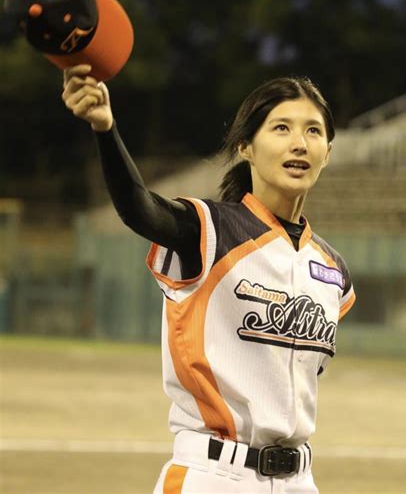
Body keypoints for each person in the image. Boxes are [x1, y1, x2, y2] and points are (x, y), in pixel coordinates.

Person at [62, 64, 356, 494]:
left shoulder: (332, 270)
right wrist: (105, 130)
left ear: (328, 151)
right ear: (246, 147)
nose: (299, 143)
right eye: (281, 128)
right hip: (215, 475)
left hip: (299, 481)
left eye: (313, 131)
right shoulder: (208, 230)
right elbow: (139, 206)